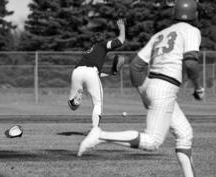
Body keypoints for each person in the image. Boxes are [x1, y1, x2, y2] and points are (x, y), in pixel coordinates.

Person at [77, 0, 204, 177]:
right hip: (165, 89)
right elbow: (190, 63)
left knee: (184, 133)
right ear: (194, 15)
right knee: (152, 141)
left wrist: (144, 92)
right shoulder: (191, 31)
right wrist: (199, 88)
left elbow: (136, 65)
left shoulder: (161, 34)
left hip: (153, 86)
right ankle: (100, 136)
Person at [68, 19, 125, 127]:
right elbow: (121, 40)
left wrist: (110, 73)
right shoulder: (102, 44)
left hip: (77, 71)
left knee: (73, 107)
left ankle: (74, 100)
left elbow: (96, 75)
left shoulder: (89, 50)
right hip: (91, 72)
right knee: (97, 104)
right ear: (102, 39)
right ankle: (95, 130)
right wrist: (122, 27)